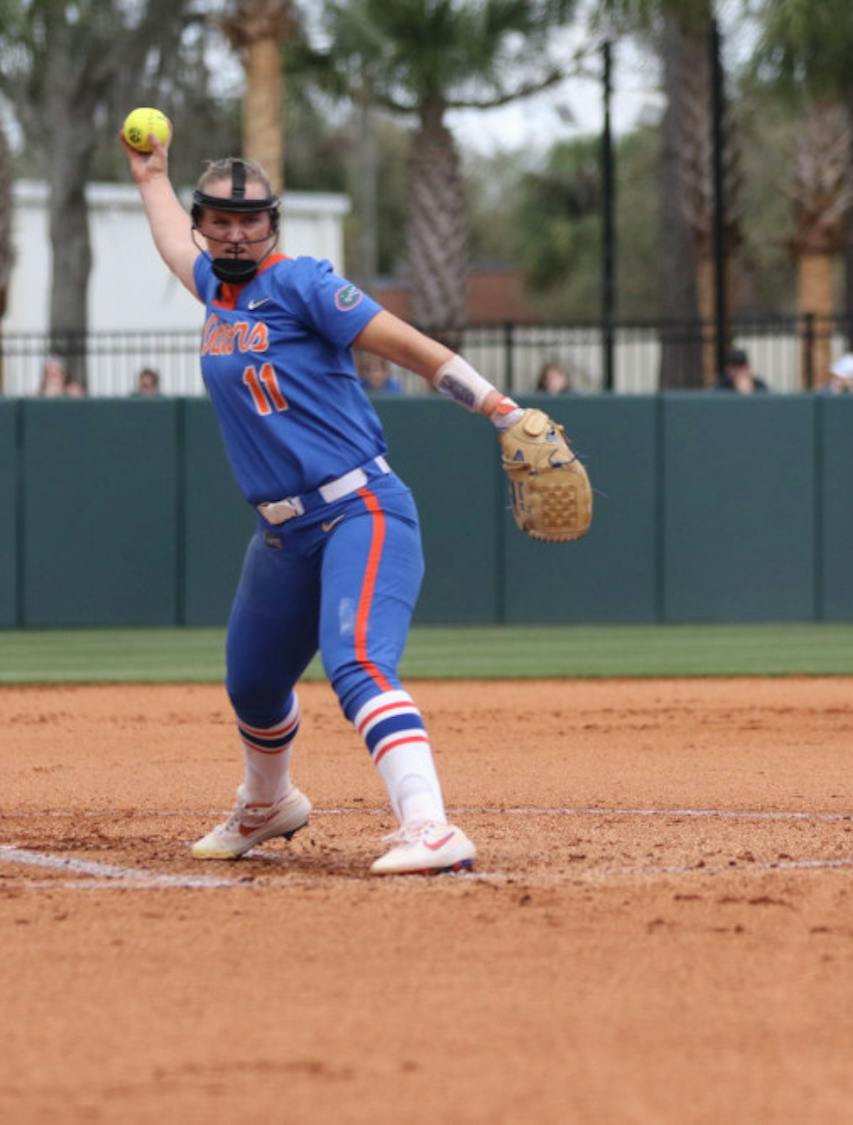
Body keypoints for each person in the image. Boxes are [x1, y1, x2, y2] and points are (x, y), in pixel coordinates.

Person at [121, 132, 566, 876]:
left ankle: (430, 826)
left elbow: (410, 347)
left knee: (357, 661)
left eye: (251, 220)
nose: (236, 233)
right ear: (203, 224)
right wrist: (151, 177)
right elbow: (170, 241)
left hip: (359, 510)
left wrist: (500, 408)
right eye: (221, 221)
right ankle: (268, 803)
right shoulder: (215, 289)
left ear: (273, 223)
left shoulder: (302, 284)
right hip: (281, 534)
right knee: (253, 682)